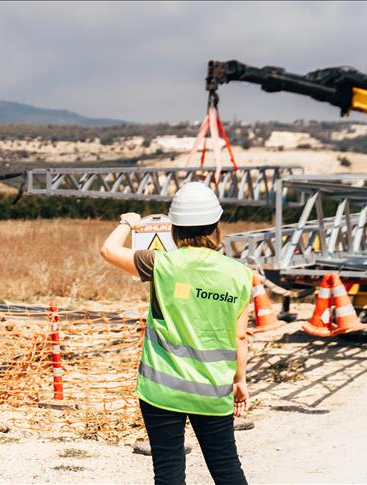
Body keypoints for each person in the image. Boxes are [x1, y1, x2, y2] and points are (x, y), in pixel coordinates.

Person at [100, 182, 251, 485]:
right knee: (226, 468)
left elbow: (108, 250)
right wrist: (240, 380)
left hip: (161, 389)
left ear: (174, 228)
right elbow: (241, 338)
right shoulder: (238, 274)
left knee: (168, 471)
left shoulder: (160, 264)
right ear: (215, 226)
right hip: (212, 389)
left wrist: (127, 223)